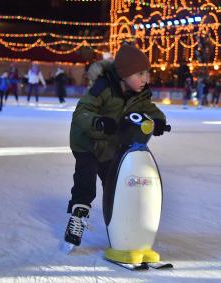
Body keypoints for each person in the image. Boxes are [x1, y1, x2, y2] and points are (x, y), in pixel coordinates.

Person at [64, 44, 167, 248]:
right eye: (140, 74)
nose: (145, 79)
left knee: (115, 185)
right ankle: (77, 219)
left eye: (147, 73)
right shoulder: (103, 87)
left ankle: (121, 226)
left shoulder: (140, 94)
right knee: (86, 181)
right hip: (87, 142)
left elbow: (150, 109)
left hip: (110, 145)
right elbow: (81, 112)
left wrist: (159, 121)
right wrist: (98, 121)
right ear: (124, 74)